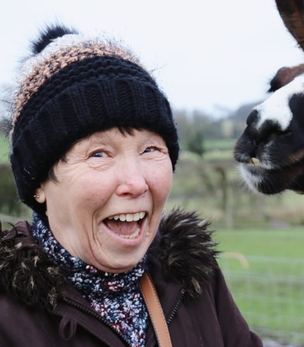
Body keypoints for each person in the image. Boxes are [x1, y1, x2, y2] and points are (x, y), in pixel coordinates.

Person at [0, 24, 263, 347]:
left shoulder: (193, 279)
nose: (136, 183)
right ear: (39, 181)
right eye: (99, 154)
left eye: (150, 149)